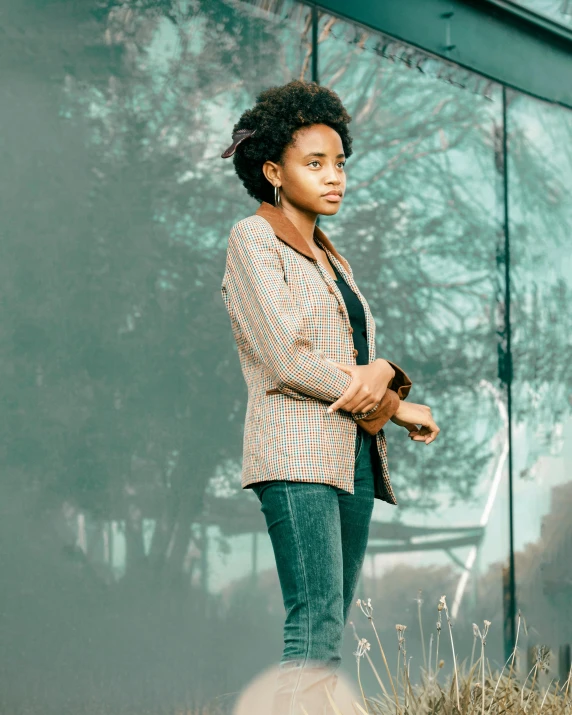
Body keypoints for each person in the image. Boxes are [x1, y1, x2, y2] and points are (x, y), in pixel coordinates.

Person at [220, 79, 439, 715]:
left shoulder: (331, 258)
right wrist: (393, 398)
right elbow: (284, 359)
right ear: (272, 171)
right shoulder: (253, 240)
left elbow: (355, 364)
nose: (334, 175)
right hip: (296, 458)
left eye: (339, 162)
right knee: (313, 633)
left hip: (353, 462)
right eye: (314, 163)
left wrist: (385, 379)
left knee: (327, 633)